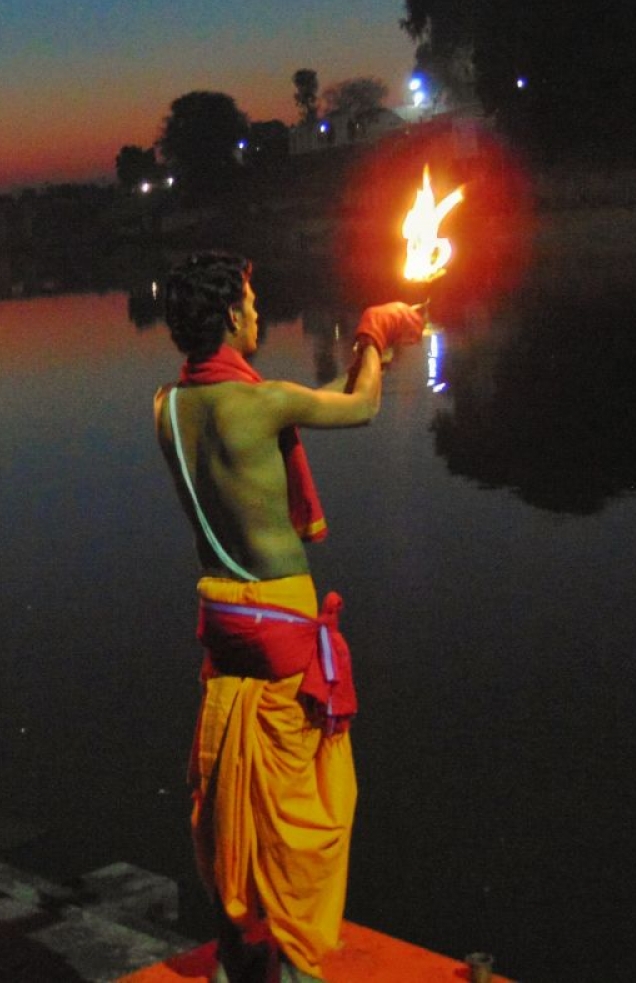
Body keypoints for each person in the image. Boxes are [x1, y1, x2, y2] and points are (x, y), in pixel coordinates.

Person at [153, 252, 424, 983]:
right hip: (279, 624)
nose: (256, 310)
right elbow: (359, 407)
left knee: (234, 795)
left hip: (224, 623)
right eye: (248, 298)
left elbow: (315, 401)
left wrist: (372, 360)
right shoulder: (261, 401)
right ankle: (301, 964)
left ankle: (239, 954)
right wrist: (370, 332)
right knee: (307, 811)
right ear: (229, 315)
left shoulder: (169, 408)